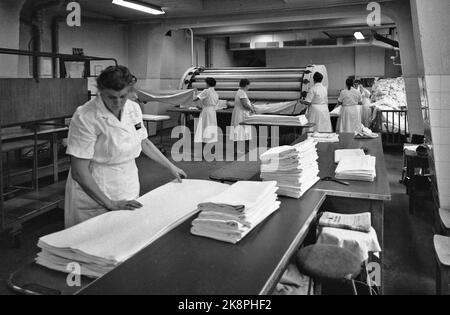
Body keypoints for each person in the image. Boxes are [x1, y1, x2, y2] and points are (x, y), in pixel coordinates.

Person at [65, 65, 187, 228]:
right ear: (100, 91)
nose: (117, 102)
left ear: (129, 91)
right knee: (95, 241)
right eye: (111, 97)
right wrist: (110, 203)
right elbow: (79, 172)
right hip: (96, 188)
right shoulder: (86, 116)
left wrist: (170, 166)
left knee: (126, 236)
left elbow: (143, 142)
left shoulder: (133, 108)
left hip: (126, 182)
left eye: (122, 96)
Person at [230, 79, 256, 154]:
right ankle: (238, 149)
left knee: (243, 132)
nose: (249, 87)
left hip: (241, 113)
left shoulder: (240, 92)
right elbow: (244, 104)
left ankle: (244, 149)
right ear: (246, 85)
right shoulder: (242, 93)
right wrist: (252, 110)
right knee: (240, 131)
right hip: (241, 114)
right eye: (248, 85)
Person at [193, 77, 219, 144]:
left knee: (205, 127)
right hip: (213, 111)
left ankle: (205, 145)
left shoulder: (206, 91)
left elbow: (195, 99)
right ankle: (211, 144)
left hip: (206, 111)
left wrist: (195, 92)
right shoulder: (216, 93)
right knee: (211, 127)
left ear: (207, 84)